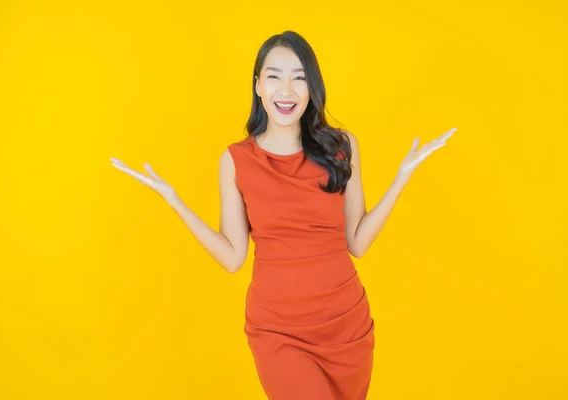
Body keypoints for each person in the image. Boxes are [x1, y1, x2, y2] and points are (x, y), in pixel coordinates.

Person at [111, 30, 456, 400]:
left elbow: (357, 242)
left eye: (299, 77)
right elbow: (232, 258)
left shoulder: (341, 147)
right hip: (278, 330)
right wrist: (175, 200)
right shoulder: (236, 160)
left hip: (345, 326)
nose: (286, 90)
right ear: (258, 85)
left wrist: (401, 178)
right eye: (274, 76)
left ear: (312, 88)